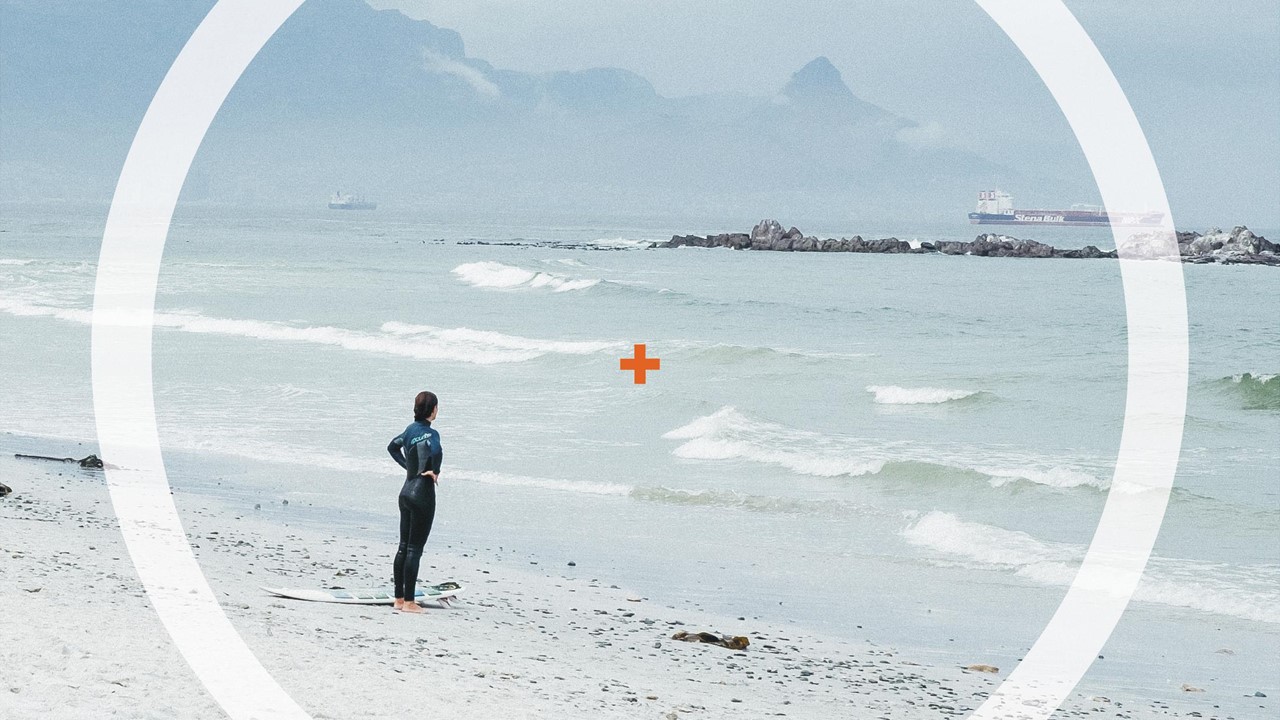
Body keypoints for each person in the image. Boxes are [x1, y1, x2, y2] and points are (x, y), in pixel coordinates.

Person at [386, 391, 443, 613]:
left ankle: (399, 599)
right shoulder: (432, 434)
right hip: (422, 495)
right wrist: (434, 471)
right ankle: (410, 602)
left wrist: (408, 467)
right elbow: (436, 451)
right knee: (414, 549)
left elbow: (392, 446)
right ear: (433, 410)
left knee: (403, 547)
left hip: (406, 492)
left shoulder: (410, 431)